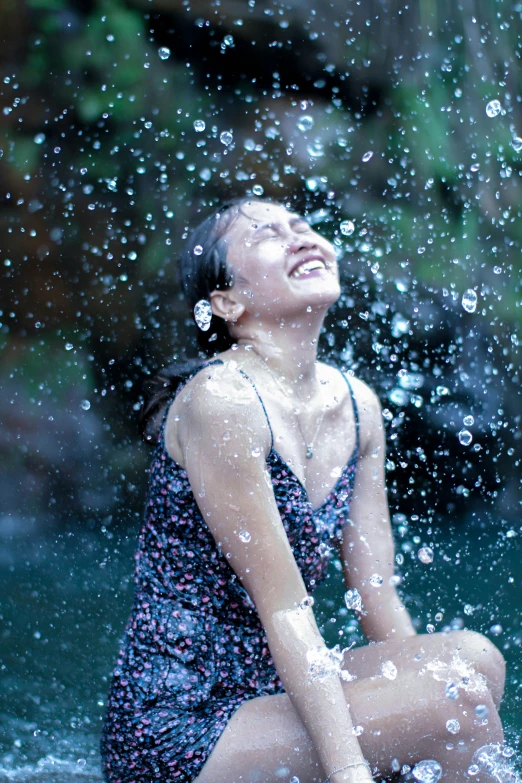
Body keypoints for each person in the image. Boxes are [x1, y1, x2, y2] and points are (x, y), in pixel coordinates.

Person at [101, 197, 506, 783]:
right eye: (268, 234)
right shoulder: (223, 401)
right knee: (455, 704)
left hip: (275, 696)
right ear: (227, 303)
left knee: (471, 661)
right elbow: (286, 610)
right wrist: (351, 770)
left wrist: (427, 734)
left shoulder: (359, 406)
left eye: (303, 226)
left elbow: (378, 599)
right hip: (183, 725)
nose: (300, 237)